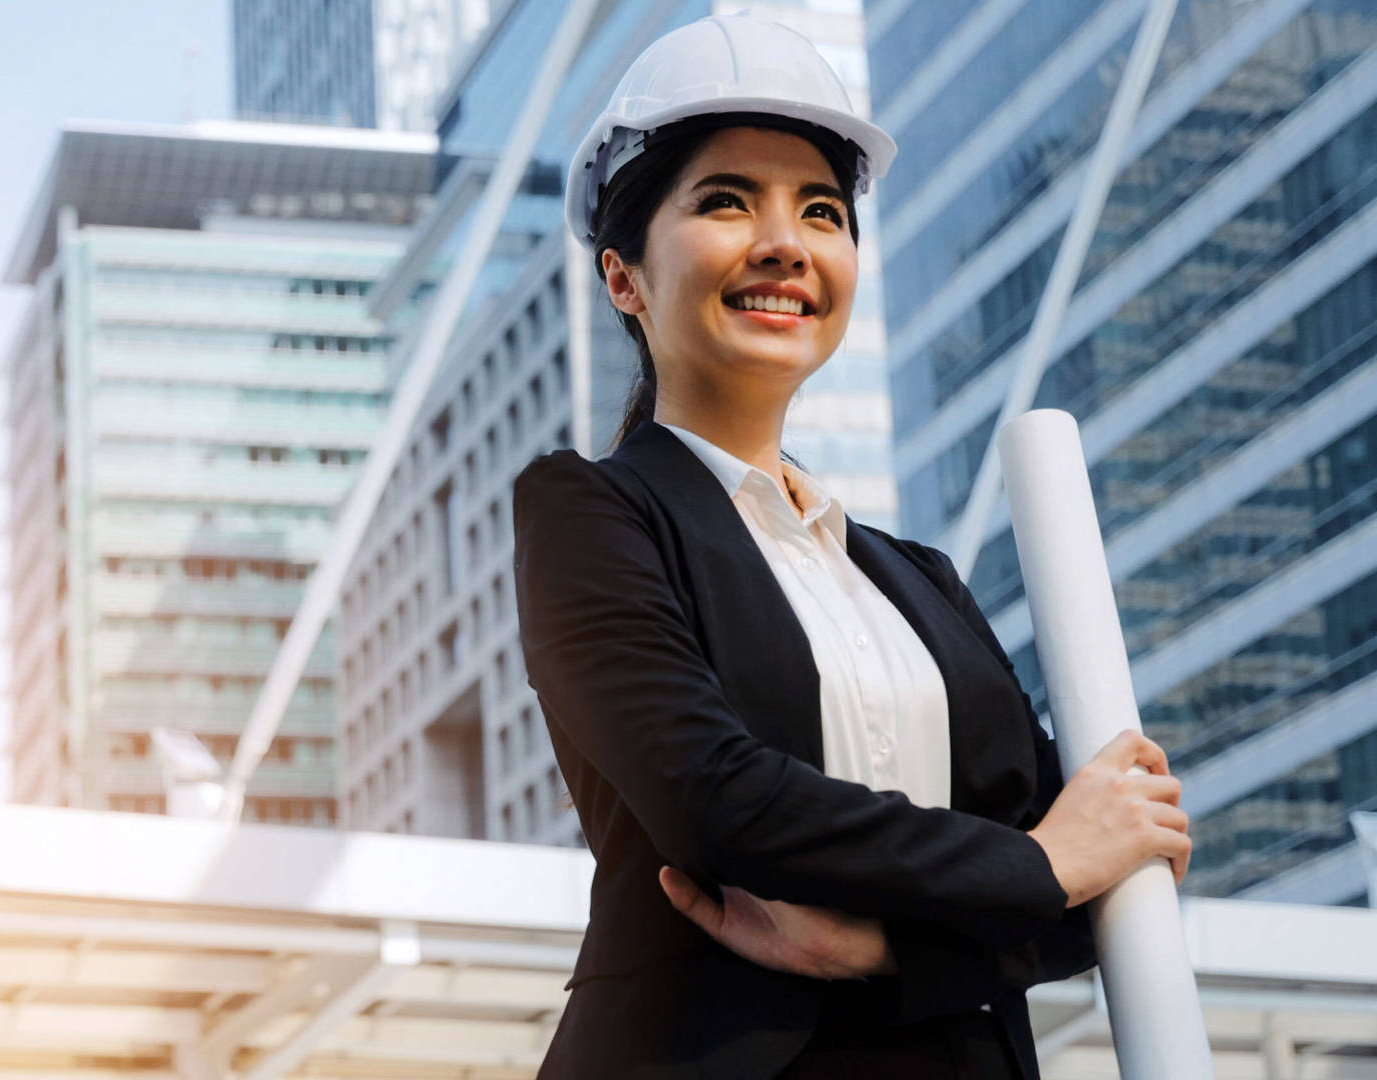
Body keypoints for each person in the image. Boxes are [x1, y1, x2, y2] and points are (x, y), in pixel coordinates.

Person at [511, 13, 1192, 1079]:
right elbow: (715, 795)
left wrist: (880, 948)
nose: (784, 240)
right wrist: (1036, 861)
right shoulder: (587, 515)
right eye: (727, 199)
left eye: (820, 211)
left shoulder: (920, 582)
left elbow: (1086, 898)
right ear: (623, 278)